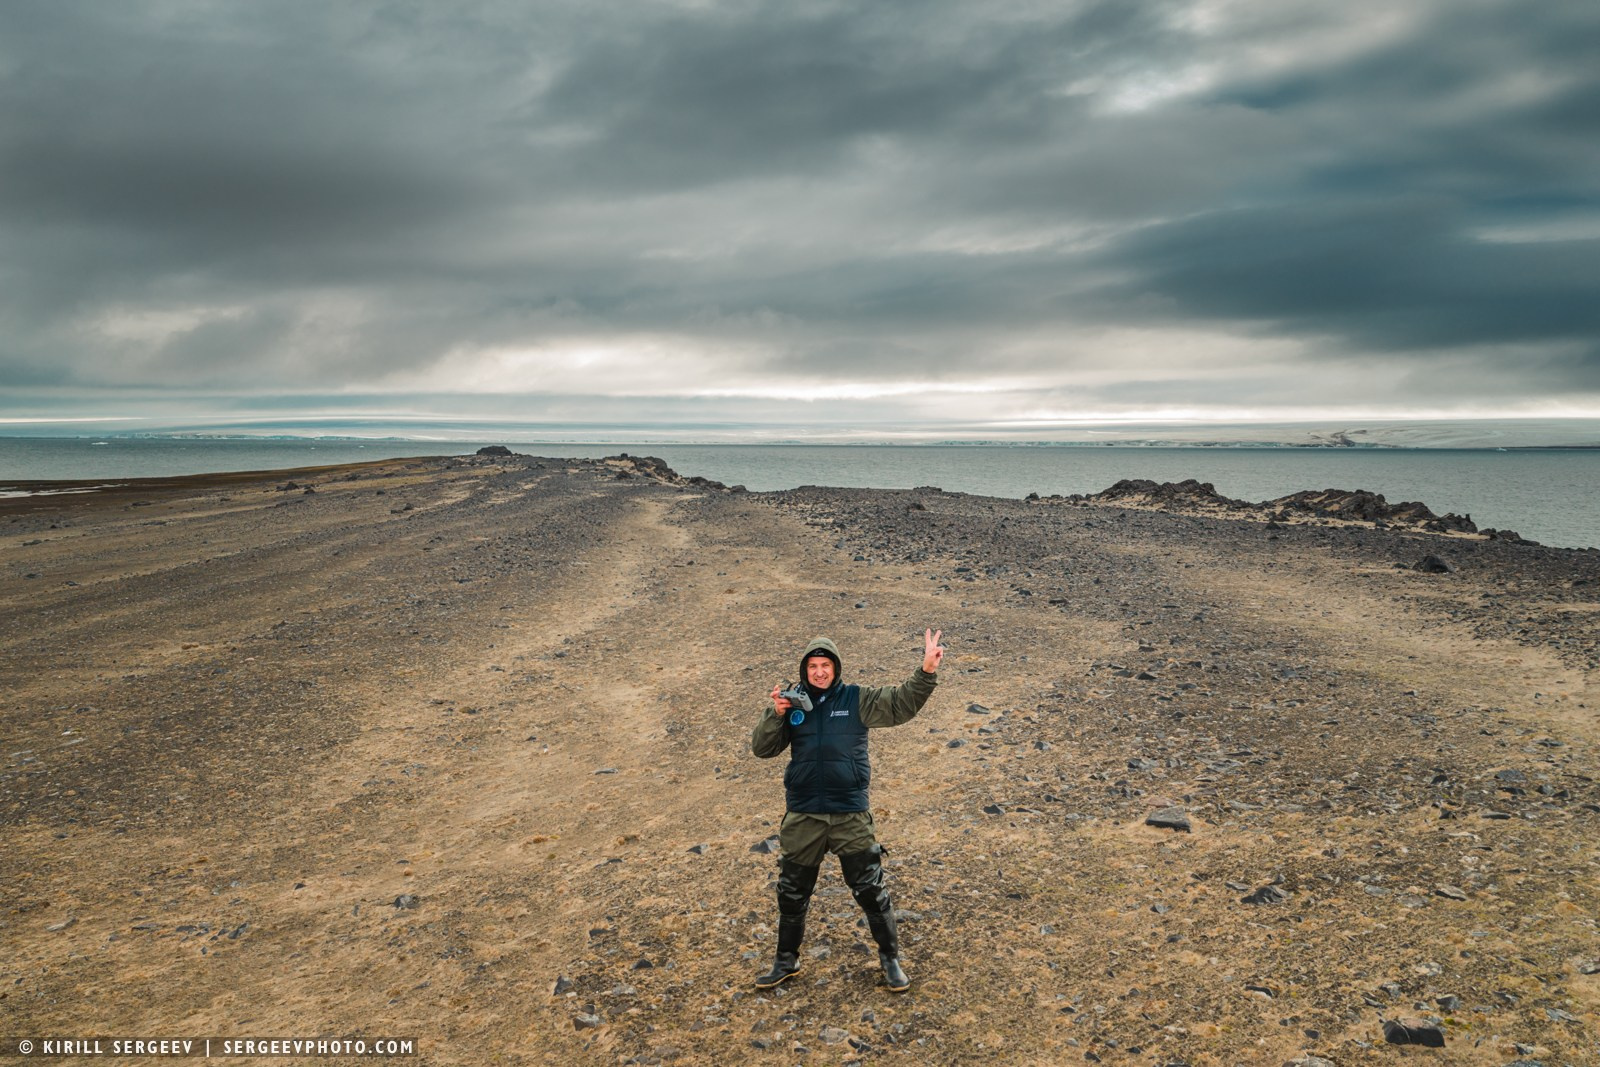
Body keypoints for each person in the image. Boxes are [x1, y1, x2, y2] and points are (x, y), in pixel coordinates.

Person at [750, 629, 944, 992]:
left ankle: (890, 961)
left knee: (870, 888)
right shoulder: (792, 706)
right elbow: (762, 750)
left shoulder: (857, 699)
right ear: (804, 670)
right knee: (792, 891)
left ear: (836, 668)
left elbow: (901, 703)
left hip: (849, 813)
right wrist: (774, 714)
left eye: (825, 665)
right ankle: (785, 961)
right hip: (804, 812)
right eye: (813, 666)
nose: (819, 672)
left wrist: (926, 672)